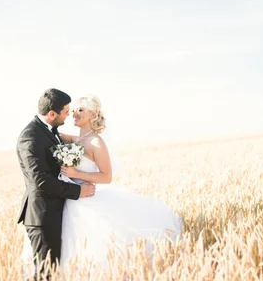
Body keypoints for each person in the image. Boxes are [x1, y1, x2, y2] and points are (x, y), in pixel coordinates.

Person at [56, 95, 183, 271]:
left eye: (80, 110)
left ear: (92, 115)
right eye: (73, 111)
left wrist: (76, 173)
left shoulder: (96, 142)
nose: (74, 114)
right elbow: (54, 134)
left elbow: (106, 177)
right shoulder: (76, 139)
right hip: (71, 197)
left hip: (86, 197)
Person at [16, 88, 96, 281]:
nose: (68, 116)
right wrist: (78, 191)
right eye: (65, 112)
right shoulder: (31, 137)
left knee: (53, 269)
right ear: (52, 114)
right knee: (45, 273)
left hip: (54, 211)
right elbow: (41, 180)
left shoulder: (48, 130)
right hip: (42, 216)